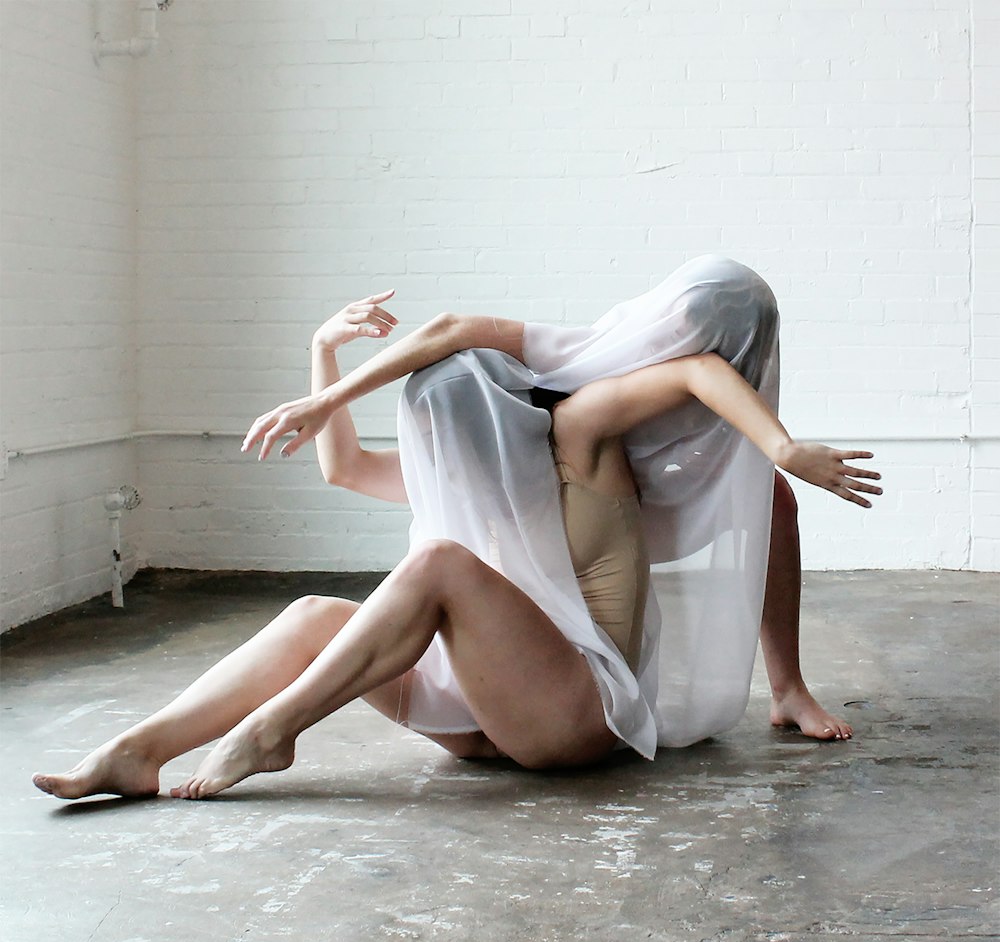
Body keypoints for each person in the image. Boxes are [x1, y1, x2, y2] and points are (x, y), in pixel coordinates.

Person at [32, 256, 880, 802]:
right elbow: (344, 470)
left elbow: (698, 371)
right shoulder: (476, 481)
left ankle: (272, 730)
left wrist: (779, 445)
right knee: (310, 616)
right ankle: (138, 750)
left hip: (575, 719)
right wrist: (320, 353)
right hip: (481, 721)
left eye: (448, 434)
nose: (442, 456)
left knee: (437, 562)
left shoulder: (580, 439)